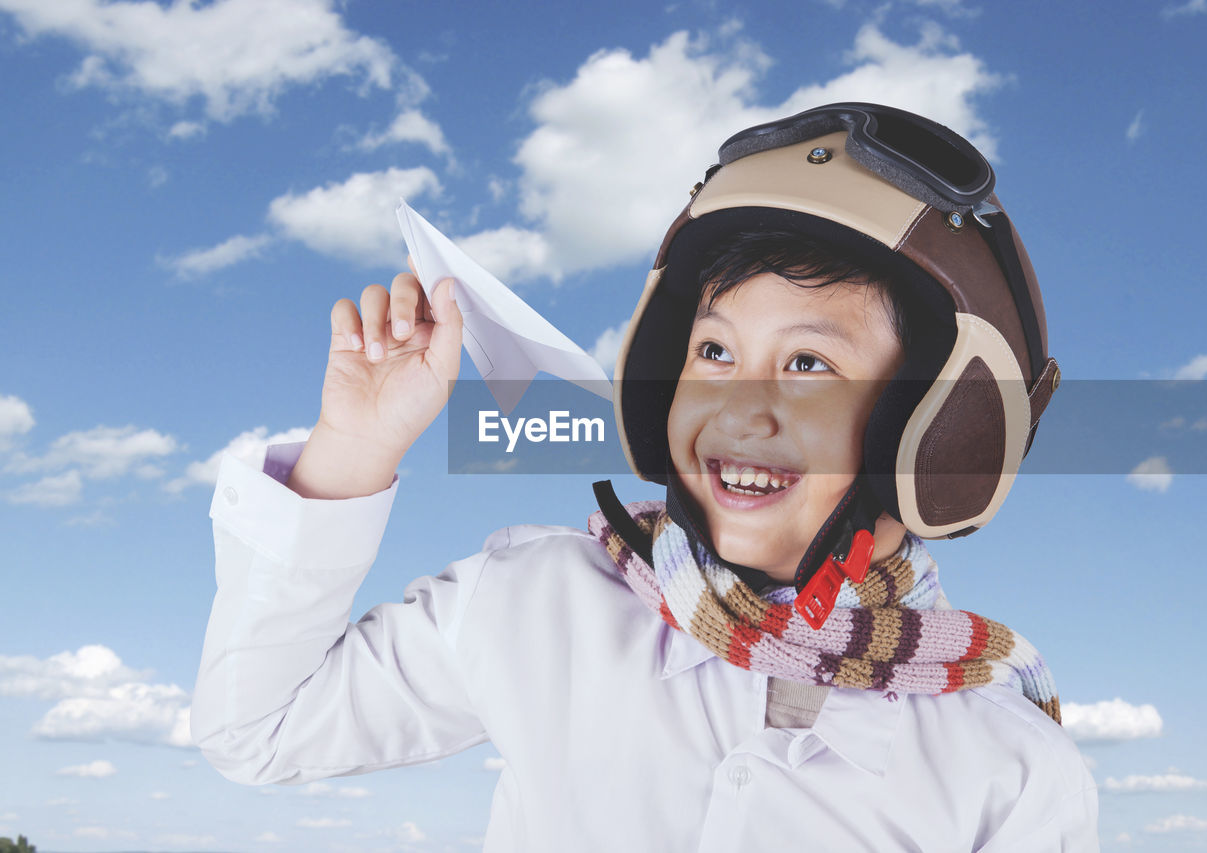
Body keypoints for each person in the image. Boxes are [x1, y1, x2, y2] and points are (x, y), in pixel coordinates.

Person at [192, 103, 1099, 851]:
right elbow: (259, 731)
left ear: (942, 430)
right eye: (713, 350)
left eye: (811, 364)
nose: (740, 409)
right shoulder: (538, 602)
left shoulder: (1007, 769)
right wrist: (351, 448)